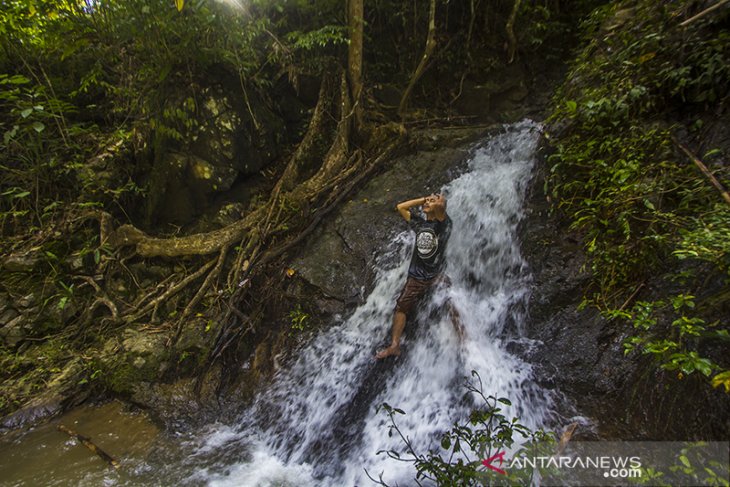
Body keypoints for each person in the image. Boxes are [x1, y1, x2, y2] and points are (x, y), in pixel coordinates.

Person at [375, 193, 464, 359]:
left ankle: (464, 340)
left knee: (450, 305)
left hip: (436, 276)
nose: (429, 202)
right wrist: (424, 200)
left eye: (433, 200)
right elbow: (401, 207)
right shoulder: (419, 224)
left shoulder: (443, 224)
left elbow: (440, 207)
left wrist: (436, 201)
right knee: (401, 307)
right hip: (415, 276)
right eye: (427, 200)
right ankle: (394, 345)